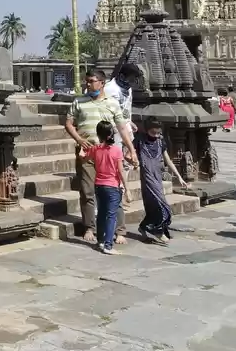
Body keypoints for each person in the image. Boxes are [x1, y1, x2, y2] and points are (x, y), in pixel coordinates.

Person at [65, 70, 137, 245]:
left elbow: (122, 128)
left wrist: (131, 149)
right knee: (87, 191)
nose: (87, 84)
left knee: (113, 191)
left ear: (102, 83)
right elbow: (68, 123)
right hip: (87, 152)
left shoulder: (112, 103)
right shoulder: (79, 101)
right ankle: (90, 227)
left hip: (108, 153)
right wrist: (79, 139)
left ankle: (119, 230)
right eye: (86, 81)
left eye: (91, 81)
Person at [134, 118, 187, 245]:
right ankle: (157, 230)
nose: (156, 135)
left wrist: (179, 176)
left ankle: (146, 226)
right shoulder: (140, 141)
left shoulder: (160, 142)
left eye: (158, 133)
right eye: (153, 133)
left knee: (156, 204)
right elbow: (129, 152)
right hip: (147, 176)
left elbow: (168, 160)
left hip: (157, 176)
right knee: (162, 205)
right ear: (147, 130)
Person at [89, 120, 126, 255]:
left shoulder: (95, 149)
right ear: (111, 134)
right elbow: (121, 171)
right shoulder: (116, 150)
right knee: (111, 216)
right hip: (112, 186)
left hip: (99, 185)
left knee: (101, 214)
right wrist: (126, 187)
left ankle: (100, 240)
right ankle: (108, 245)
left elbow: (85, 157)